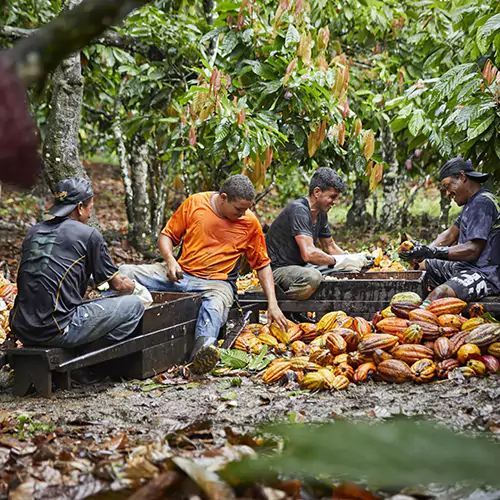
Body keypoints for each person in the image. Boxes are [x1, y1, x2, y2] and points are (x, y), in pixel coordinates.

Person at [119, 174, 288, 372]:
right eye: (238, 209)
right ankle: (104, 322)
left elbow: (262, 264)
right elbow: (167, 236)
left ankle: (203, 353)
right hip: (181, 274)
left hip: (216, 283)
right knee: (125, 271)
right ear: (223, 198)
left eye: (246, 209)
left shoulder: (249, 223)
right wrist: (171, 261)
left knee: (214, 306)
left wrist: (273, 303)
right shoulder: (196, 204)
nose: (243, 214)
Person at [10, 178, 145, 349]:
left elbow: (45, 270)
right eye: (90, 208)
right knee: (134, 306)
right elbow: (118, 286)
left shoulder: (34, 231)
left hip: (21, 327)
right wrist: (134, 287)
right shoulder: (88, 234)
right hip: (54, 330)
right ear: (80, 207)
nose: (90, 215)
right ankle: (82, 359)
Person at [400, 158, 499, 307]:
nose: (447, 194)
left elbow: (473, 250)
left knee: (440, 294)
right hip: (465, 266)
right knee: (421, 266)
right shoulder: (472, 203)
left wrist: (431, 252)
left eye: (447, 186)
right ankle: (404, 304)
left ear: (462, 177)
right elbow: (449, 235)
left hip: (485, 274)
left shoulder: (483, 204)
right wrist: (422, 253)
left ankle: (417, 319)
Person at [265, 167, 369, 302]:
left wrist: (352, 260)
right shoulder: (299, 210)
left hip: (300, 267)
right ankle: (283, 306)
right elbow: (308, 253)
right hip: (277, 270)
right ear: (317, 192)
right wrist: (340, 261)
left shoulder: (321, 213)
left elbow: (330, 247)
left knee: (348, 272)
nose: (336, 202)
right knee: (313, 277)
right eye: (332, 197)